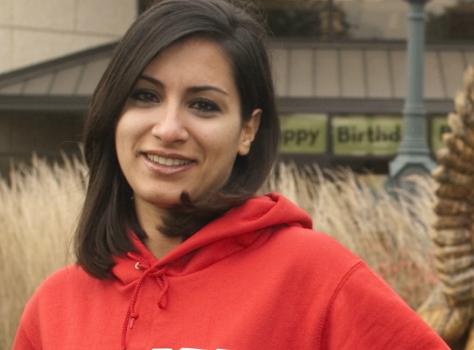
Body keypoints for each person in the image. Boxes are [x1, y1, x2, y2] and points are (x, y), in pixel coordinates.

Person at [13, 0, 449, 349]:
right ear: (113, 115)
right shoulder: (55, 308)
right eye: (145, 96)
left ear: (247, 130)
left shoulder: (313, 277)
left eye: (203, 104)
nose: (167, 129)